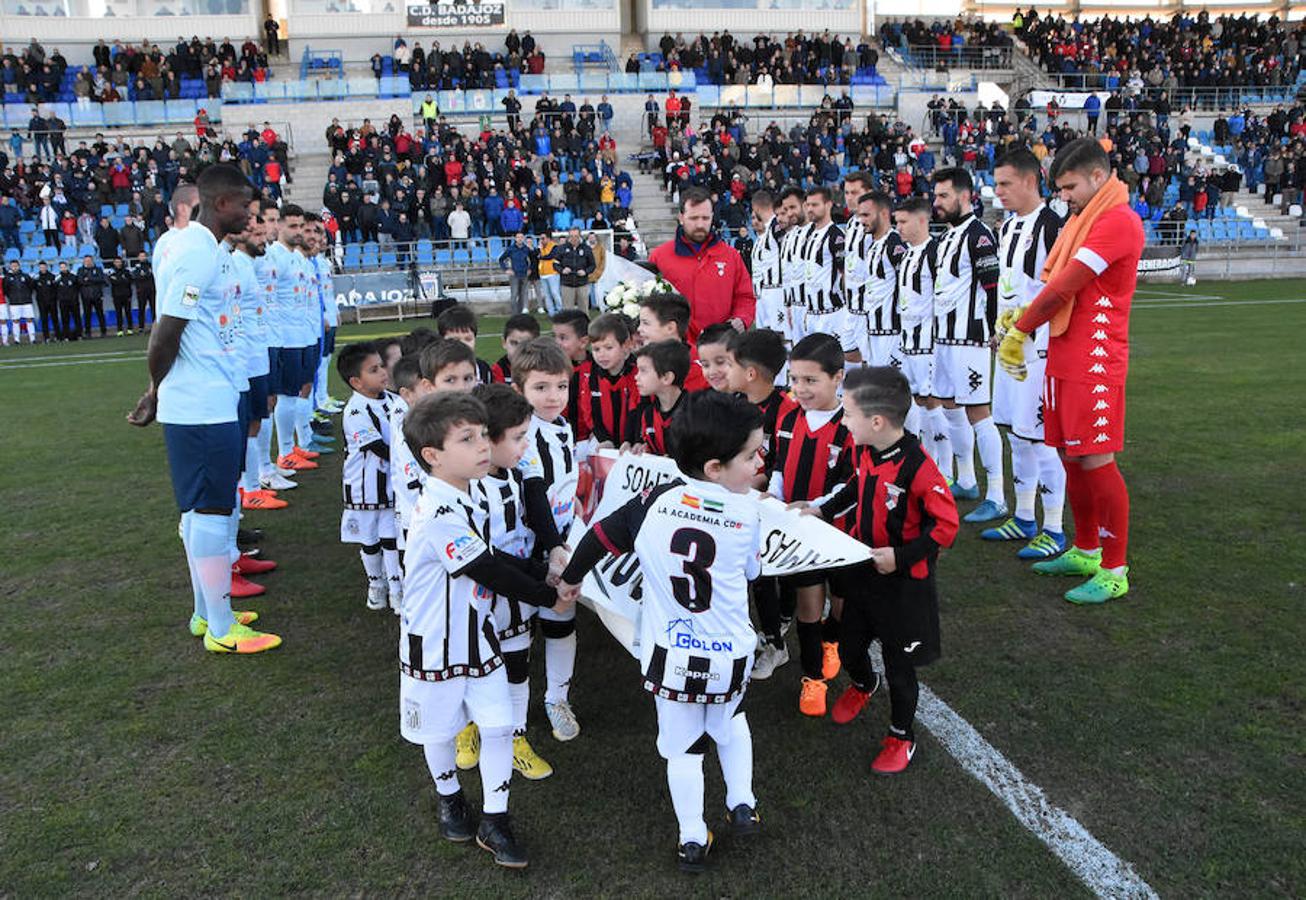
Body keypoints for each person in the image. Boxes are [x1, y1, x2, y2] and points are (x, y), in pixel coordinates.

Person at [560, 390, 766, 872]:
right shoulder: (747, 514)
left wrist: (571, 580)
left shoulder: (654, 500)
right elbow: (752, 573)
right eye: (752, 454)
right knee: (731, 721)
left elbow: (598, 538)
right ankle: (743, 802)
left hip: (668, 652)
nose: (760, 461)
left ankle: (692, 836)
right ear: (715, 467)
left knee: (681, 746)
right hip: (728, 653)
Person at [398, 392, 574, 869]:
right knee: (438, 729)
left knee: (498, 724)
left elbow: (494, 558)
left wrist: (543, 572)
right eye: (467, 438)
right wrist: (548, 594)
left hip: (479, 635)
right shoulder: (437, 512)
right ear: (433, 456)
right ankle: (449, 795)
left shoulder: (467, 493)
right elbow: (485, 569)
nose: (482, 446)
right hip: (434, 643)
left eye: (482, 435)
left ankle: (496, 819)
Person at [126, 163, 281, 654]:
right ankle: (221, 629)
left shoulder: (197, 246)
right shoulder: (197, 254)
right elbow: (166, 329)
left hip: (208, 394)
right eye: (242, 206)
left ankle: (205, 612)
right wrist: (154, 389)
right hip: (201, 401)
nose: (248, 214)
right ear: (220, 205)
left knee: (201, 510)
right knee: (213, 509)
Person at [998, 137, 1143, 604]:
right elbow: (1053, 284)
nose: (1064, 197)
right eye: (1059, 189)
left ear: (1099, 177)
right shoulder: (1083, 220)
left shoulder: (1118, 221)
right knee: (1070, 456)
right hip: (1064, 353)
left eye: (1070, 187)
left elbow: (1066, 283)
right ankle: (1085, 547)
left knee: (1097, 459)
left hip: (1095, 360)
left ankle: (1115, 566)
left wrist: (1022, 324)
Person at [810, 366, 959, 774]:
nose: (842, 421)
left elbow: (946, 527)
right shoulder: (863, 450)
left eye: (847, 413)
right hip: (863, 572)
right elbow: (854, 490)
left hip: (903, 588)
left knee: (899, 667)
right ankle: (862, 684)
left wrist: (903, 556)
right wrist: (819, 509)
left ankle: (901, 735)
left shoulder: (919, 468)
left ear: (876, 422)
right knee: (849, 646)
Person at [469, 382, 555, 781]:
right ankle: (468, 727)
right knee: (476, 668)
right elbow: (484, 556)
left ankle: (517, 737)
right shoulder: (467, 487)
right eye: (519, 438)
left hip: (517, 594)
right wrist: (540, 581)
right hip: (483, 596)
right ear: (487, 439)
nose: (525, 446)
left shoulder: (517, 476)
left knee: (518, 666)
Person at [983, 149, 1067, 559]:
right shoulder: (1008, 227)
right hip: (1011, 347)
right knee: (1017, 435)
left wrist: (1028, 327)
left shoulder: (1055, 226)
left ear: (1031, 182)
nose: (998, 192)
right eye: (996, 184)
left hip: (1042, 350)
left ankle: (1054, 527)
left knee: (1043, 439)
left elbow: (1060, 291)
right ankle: (1024, 517)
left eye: (1005, 184)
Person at [769, 334, 855, 716]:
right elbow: (777, 462)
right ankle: (813, 678)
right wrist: (774, 492)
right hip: (798, 531)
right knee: (808, 606)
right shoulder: (787, 416)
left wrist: (818, 507)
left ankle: (832, 641)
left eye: (810, 380)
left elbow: (854, 482)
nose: (800, 389)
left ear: (838, 377)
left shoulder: (850, 425)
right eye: (794, 379)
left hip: (839, 533)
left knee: (841, 605)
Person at [511, 338, 582, 743]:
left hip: (560, 542)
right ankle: (511, 712)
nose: (553, 396)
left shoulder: (561, 426)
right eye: (541, 387)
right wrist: (553, 546)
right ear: (520, 388)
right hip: (529, 549)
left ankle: (557, 698)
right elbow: (535, 496)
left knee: (560, 621)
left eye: (561, 386)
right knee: (520, 631)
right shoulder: (523, 434)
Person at [930, 167, 1005, 522]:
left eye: (943, 196)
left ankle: (998, 495)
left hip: (970, 339)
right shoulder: (946, 238)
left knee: (978, 412)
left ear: (963, 196)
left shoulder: (979, 235)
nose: (937, 202)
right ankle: (967, 479)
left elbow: (993, 288)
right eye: (935, 196)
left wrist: (992, 331)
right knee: (948, 407)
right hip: (943, 338)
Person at [723, 327, 797, 679]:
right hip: (737, 500)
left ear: (750, 373)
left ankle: (775, 645)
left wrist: (760, 481)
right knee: (740, 572)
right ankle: (753, 632)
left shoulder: (787, 408)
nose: (724, 372)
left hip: (770, 505)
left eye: (730, 365)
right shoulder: (734, 403)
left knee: (766, 573)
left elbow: (785, 460)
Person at [336, 341, 402, 612]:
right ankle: (377, 584)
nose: (383, 372)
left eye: (382, 366)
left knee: (391, 537)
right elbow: (378, 448)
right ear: (356, 382)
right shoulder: (355, 411)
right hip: (364, 488)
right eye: (374, 370)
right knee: (370, 539)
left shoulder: (396, 400)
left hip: (392, 485)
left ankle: (397, 590)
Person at [648, 186, 755, 341]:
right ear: (681, 217)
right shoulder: (660, 257)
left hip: (720, 348)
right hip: (674, 352)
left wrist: (741, 319)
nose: (700, 224)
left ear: (712, 217)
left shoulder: (731, 256)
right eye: (693, 218)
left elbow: (745, 296)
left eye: (705, 218)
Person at [893, 198, 950, 467]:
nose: (899, 227)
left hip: (928, 341)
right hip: (908, 340)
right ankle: (927, 456)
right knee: (917, 399)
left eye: (904, 222)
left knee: (933, 401)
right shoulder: (907, 253)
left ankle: (946, 466)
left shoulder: (934, 252)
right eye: (897, 222)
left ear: (922, 221)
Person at [797, 187, 859, 364]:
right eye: (808, 205)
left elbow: (845, 272)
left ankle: (843, 392)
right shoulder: (808, 235)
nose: (810, 209)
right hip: (812, 313)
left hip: (832, 314)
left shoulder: (836, 236)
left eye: (815, 205)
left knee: (836, 363)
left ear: (828, 205)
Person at [579, 312, 637, 446]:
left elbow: (639, 410)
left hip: (633, 443)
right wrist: (603, 438)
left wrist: (631, 440)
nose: (601, 354)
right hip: (604, 441)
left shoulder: (637, 373)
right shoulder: (592, 377)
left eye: (608, 348)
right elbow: (589, 412)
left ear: (625, 345)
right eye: (596, 349)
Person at [625, 339, 690, 455]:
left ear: (666, 378)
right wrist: (646, 450)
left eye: (643, 371)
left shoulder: (694, 413)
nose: (636, 377)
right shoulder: (648, 415)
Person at [635, 292, 710, 392]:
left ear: (670, 328)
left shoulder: (700, 372)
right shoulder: (640, 363)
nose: (639, 329)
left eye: (646, 323)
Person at [749, 190, 785, 336]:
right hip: (762, 292)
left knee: (778, 335)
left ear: (756, 207)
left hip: (775, 290)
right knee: (763, 336)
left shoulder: (776, 226)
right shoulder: (764, 233)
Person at [436, 304, 494, 384]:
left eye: (468, 339)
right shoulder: (434, 369)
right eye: (455, 340)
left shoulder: (483, 368)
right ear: (441, 340)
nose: (462, 345)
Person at [545, 227, 594, 311]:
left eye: (576, 236)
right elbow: (555, 264)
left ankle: (584, 324)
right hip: (567, 284)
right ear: (568, 237)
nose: (574, 238)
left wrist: (585, 272)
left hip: (582, 284)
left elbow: (592, 265)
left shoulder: (586, 249)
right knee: (567, 312)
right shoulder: (562, 248)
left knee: (584, 311)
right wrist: (562, 270)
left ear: (580, 236)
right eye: (571, 236)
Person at [490, 312, 540, 384]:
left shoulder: (544, 368)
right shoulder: (498, 370)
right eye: (514, 343)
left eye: (525, 344)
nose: (518, 350)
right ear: (504, 343)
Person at [1, 260, 36, 345]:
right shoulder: (7, 278)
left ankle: (32, 339)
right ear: (10, 267)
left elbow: (31, 287)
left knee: (29, 320)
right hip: (14, 303)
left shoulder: (26, 276)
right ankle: (17, 340)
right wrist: (12, 297)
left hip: (26, 301)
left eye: (16, 266)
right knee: (15, 321)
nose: (14, 267)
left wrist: (27, 295)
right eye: (13, 266)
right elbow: (6, 290)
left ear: (19, 266)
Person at [498, 232, 532, 314]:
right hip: (514, 275)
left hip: (524, 274)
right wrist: (506, 269)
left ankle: (520, 313)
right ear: (515, 239)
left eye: (521, 237)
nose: (520, 239)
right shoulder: (511, 249)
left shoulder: (526, 249)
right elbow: (501, 259)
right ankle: (514, 314)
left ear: (523, 238)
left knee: (522, 295)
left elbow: (532, 260)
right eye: (518, 237)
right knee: (514, 295)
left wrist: (530, 269)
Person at [695, 323, 734, 392]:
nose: (712, 371)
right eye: (705, 365)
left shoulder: (754, 397)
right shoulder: (701, 400)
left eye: (720, 362)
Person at [75, 254, 107, 338]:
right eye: (86, 261)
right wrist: (93, 279)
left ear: (92, 261)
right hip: (86, 296)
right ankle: (88, 333)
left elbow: (101, 279)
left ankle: (103, 331)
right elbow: (80, 281)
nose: (88, 262)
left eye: (89, 260)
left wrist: (89, 278)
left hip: (97, 295)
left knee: (100, 314)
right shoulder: (80, 270)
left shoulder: (98, 269)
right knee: (87, 315)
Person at [107, 256, 135, 336]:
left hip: (127, 295)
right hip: (116, 295)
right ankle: (120, 330)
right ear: (114, 263)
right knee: (118, 313)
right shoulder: (111, 272)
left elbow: (129, 281)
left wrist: (119, 279)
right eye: (116, 262)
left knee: (128, 312)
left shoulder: (126, 271)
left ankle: (130, 329)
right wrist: (122, 279)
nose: (118, 263)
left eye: (119, 262)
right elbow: (112, 281)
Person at [33, 260, 60, 342]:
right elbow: (33, 288)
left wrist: (54, 298)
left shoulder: (52, 276)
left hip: (52, 301)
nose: (42, 268)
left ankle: (58, 336)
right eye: (41, 267)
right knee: (44, 320)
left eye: (44, 267)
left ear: (46, 267)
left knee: (55, 319)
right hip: (41, 302)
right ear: (39, 268)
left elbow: (56, 288)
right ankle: (46, 337)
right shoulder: (36, 278)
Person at [55, 260, 81, 341]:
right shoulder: (57, 278)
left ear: (67, 267)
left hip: (73, 301)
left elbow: (78, 287)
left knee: (77, 318)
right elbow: (54, 289)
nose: (63, 268)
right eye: (61, 267)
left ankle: (79, 335)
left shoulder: (73, 277)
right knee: (65, 319)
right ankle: (66, 336)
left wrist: (75, 297)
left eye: (64, 267)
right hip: (63, 302)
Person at [131, 252, 155, 333]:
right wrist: (145, 274)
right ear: (138, 257)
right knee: (141, 309)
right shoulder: (135, 266)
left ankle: (155, 326)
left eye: (144, 256)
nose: (143, 257)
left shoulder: (151, 265)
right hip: (141, 291)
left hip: (151, 290)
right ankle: (141, 327)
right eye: (141, 256)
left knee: (154, 308)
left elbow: (152, 275)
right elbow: (136, 276)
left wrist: (144, 274)